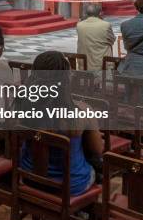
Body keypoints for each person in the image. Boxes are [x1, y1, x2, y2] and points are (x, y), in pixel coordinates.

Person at [19, 51, 104, 195]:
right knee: (96, 162)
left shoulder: (21, 107)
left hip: (29, 177)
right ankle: (81, 211)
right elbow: (97, 149)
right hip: (70, 185)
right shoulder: (83, 111)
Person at [76, 4, 116, 71]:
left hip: (84, 65)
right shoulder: (106, 25)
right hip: (101, 65)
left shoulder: (79, 25)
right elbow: (112, 40)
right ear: (100, 13)